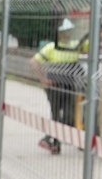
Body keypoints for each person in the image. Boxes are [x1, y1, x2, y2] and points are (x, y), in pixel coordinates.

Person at [30, 17, 84, 154]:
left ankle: (50, 138)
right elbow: (34, 62)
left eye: (69, 31)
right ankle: (55, 144)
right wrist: (43, 80)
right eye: (65, 31)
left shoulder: (75, 44)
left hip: (69, 85)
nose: (67, 34)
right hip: (54, 85)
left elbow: (92, 42)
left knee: (68, 116)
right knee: (56, 114)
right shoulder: (51, 47)